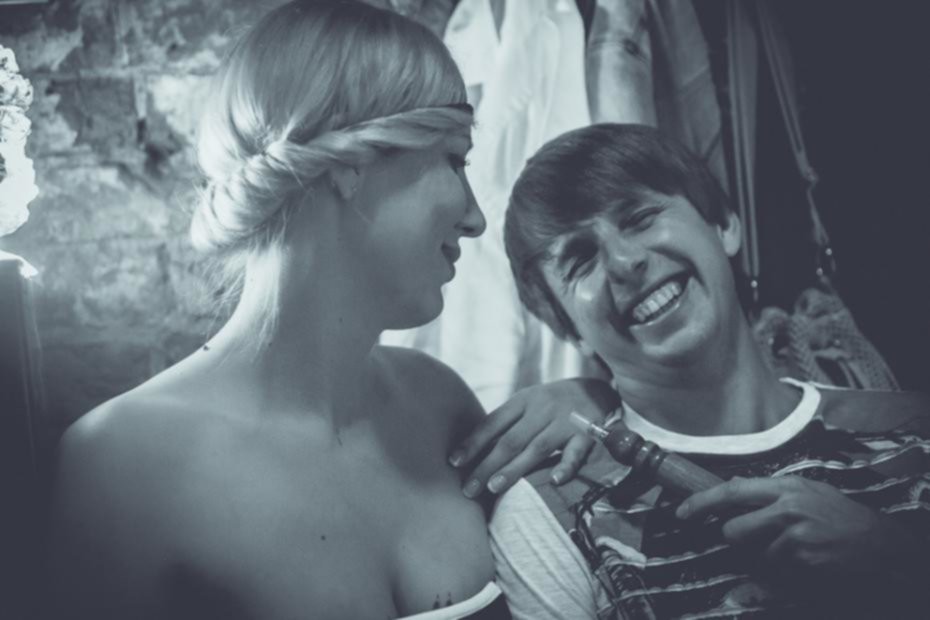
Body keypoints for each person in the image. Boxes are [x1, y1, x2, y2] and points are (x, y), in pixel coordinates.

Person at [42, 2, 602, 618]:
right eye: (454, 159)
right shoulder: (119, 464)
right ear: (349, 167)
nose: (475, 218)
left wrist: (602, 408)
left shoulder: (439, 403)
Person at [490, 123, 930, 619]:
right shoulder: (549, 515)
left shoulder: (915, 430)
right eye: (579, 260)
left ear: (724, 224)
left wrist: (899, 560)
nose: (624, 262)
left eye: (640, 218)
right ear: (568, 328)